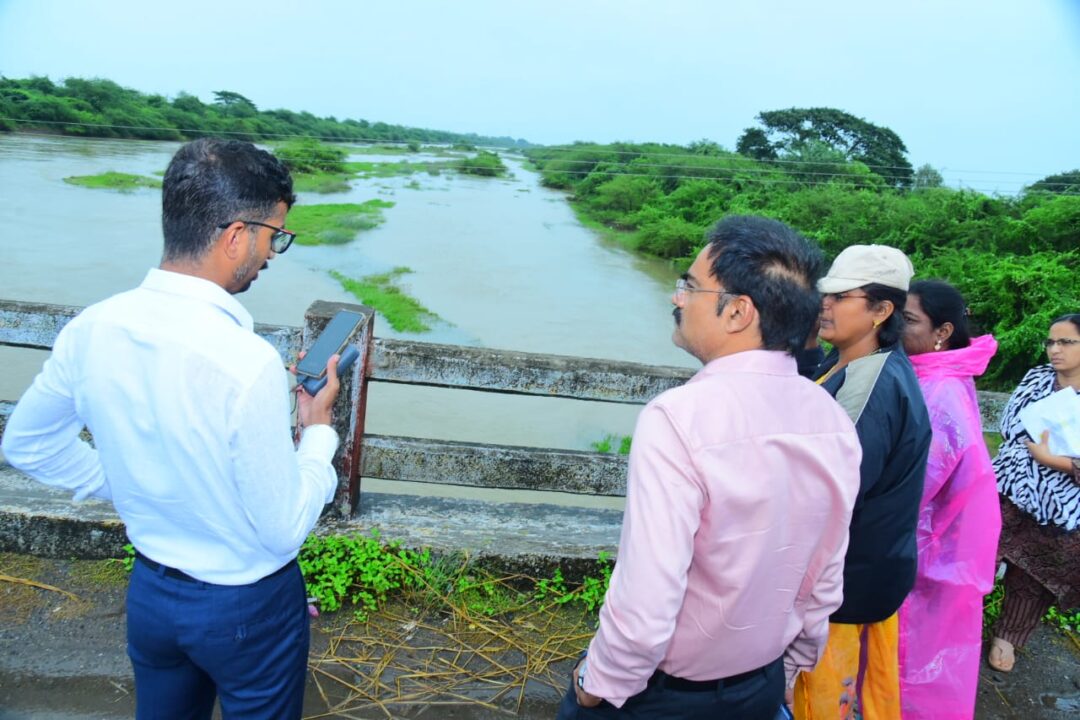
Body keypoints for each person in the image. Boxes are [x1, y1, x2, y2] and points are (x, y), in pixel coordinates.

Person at [1, 138, 342, 719]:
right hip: (246, 607)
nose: (272, 254)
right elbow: (282, 528)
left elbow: (26, 444)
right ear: (237, 234)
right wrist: (318, 433)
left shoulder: (95, 327)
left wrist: (133, 481)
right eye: (273, 236)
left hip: (154, 594)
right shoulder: (244, 360)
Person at [558, 216, 862, 719]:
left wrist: (600, 683)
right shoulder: (830, 420)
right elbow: (824, 574)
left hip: (664, 696)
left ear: (738, 312)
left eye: (690, 287)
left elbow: (648, 595)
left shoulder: (678, 419)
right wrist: (789, 672)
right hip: (758, 685)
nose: (678, 298)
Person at [794, 244, 932, 720]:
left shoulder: (870, 384)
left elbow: (834, 492)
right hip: (864, 567)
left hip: (846, 578)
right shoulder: (849, 362)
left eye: (840, 297)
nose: (824, 305)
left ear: (881, 310)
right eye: (825, 295)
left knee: (820, 697)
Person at [898, 280, 1001, 719]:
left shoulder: (939, 391)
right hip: (940, 545)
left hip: (930, 548)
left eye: (908, 320)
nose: (896, 328)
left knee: (913, 656)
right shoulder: (943, 374)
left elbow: (916, 484)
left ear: (941, 332)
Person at [988, 313, 1080, 672]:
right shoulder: (1036, 379)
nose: (1054, 350)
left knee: (1035, 572)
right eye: (1051, 342)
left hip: (1063, 505)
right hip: (1008, 483)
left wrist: (1054, 461)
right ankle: (955, 616)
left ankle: (1008, 636)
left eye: (1066, 342)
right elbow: (1011, 428)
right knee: (980, 547)